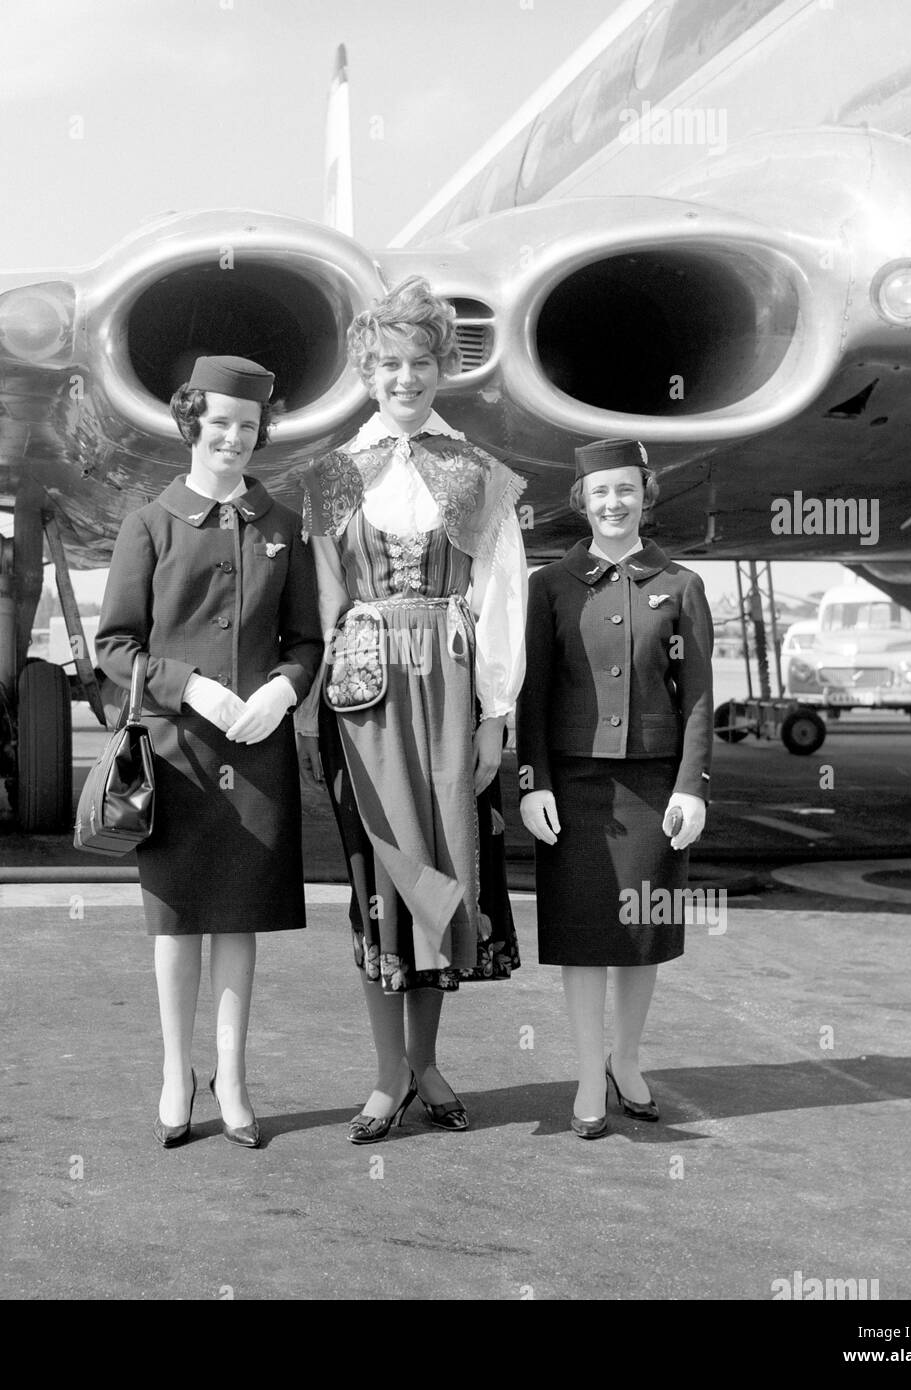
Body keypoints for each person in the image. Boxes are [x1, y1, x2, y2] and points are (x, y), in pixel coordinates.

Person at [298, 276, 527, 1143]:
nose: (405, 377)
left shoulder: (477, 474)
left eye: (421, 362)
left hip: (449, 694)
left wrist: (495, 716)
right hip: (363, 699)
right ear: (367, 369)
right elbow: (322, 606)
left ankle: (427, 1062)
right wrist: (316, 716)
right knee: (382, 880)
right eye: (389, 363)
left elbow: (504, 595)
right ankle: (387, 1074)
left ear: (443, 369)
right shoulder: (331, 476)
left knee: (445, 872)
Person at [96, 355, 323, 1150]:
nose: (233, 438)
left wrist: (284, 690)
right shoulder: (150, 522)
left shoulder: (283, 526)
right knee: (176, 922)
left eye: (249, 428)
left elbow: (306, 641)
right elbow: (116, 648)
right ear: (192, 422)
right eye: (220, 423)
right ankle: (174, 1072)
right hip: (177, 754)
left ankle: (232, 1075)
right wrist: (187, 686)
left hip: (256, 751)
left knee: (238, 919)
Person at [516, 439, 713, 1138]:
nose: (613, 503)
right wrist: (531, 782)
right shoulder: (549, 585)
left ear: (644, 494)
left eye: (625, 489)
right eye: (600, 492)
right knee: (583, 936)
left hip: (653, 786)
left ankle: (626, 1060)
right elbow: (531, 696)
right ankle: (585, 1073)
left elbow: (696, 698)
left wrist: (692, 786)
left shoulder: (682, 585)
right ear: (582, 500)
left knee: (642, 932)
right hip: (573, 787)